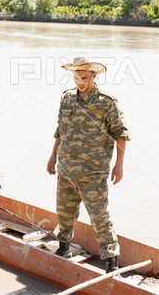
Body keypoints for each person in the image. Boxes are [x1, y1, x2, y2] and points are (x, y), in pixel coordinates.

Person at [47, 57, 131, 273]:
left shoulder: (107, 101)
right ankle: (63, 247)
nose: (80, 82)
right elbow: (60, 130)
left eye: (84, 78)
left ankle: (112, 261)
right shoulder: (66, 98)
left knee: (99, 217)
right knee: (64, 212)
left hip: (93, 173)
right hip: (66, 169)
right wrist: (52, 156)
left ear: (94, 76)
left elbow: (121, 133)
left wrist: (118, 165)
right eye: (76, 78)